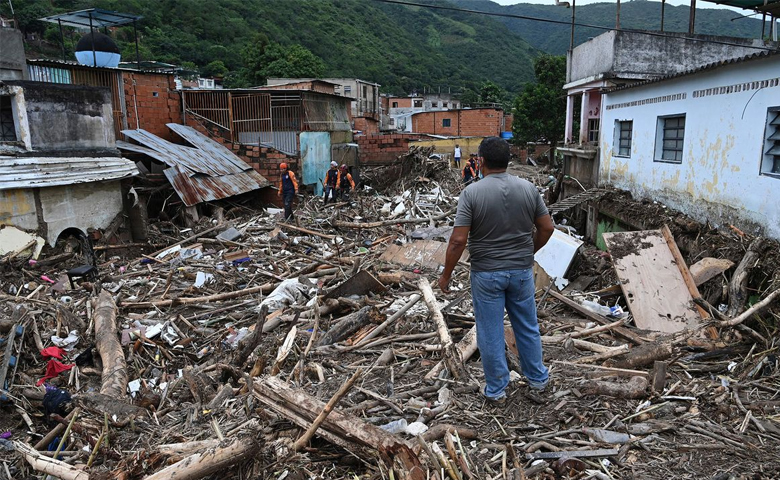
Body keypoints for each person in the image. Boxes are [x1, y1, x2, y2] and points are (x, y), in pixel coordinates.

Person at [439, 137, 555, 405]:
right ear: (508, 161)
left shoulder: (472, 193)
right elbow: (547, 228)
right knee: (527, 326)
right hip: (521, 272)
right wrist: (528, 252)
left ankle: (497, 391)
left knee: (490, 331)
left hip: (487, 274)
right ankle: (538, 381)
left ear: (480, 161)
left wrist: (445, 275)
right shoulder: (528, 189)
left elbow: (457, 241)